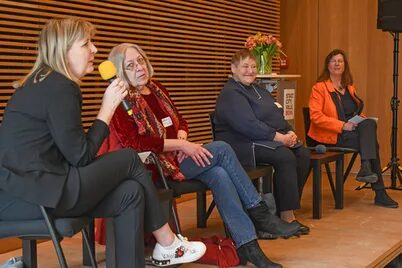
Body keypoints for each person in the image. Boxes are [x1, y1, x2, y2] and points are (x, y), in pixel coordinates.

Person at [0, 17, 206, 268]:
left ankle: (160, 249)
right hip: (38, 194)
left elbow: (70, 151)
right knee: (129, 157)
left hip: (37, 187)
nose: (95, 50)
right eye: (87, 44)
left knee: (130, 192)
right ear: (65, 50)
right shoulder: (61, 88)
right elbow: (81, 156)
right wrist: (106, 109)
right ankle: (167, 242)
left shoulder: (44, 82)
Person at [99, 42, 302, 268]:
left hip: (180, 156)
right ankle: (260, 213)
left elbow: (180, 120)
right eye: (130, 65)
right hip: (155, 167)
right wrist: (181, 145)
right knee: (223, 148)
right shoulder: (121, 100)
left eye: (140, 60)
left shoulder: (156, 88)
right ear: (119, 71)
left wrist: (183, 139)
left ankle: (249, 248)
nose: (139, 67)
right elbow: (136, 143)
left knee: (219, 175)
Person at [214, 49, 311, 233]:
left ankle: (279, 206)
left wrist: (289, 132)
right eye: (245, 66)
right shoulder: (231, 92)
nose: (250, 71)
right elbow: (248, 124)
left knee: (303, 154)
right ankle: (287, 215)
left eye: (253, 66)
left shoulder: (258, 89)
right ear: (233, 68)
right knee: (285, 156)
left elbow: (276, 115)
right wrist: (280, 138)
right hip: (241, 144)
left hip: (265, 138)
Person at [308, 48, 398, 208]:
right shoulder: (319, 88)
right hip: (332, 135)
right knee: (372, 144)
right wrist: (343, 125)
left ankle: (365, 167)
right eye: (333, 61)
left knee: (369, 124)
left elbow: (356, 111)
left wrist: (361, 119)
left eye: (340, 61)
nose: (337, 64)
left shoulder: (349, 87)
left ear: (345, 65)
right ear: (327, 65)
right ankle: (379, 191)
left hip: (351, 132)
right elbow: (316, 117)